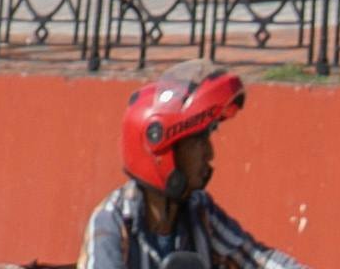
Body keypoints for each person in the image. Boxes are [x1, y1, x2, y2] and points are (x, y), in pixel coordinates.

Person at [83, 75, 279, 269]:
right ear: (162, 149)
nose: (209, 154)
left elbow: (256, 258)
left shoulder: (199, 209)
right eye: (197, 141)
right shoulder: (113, 221)